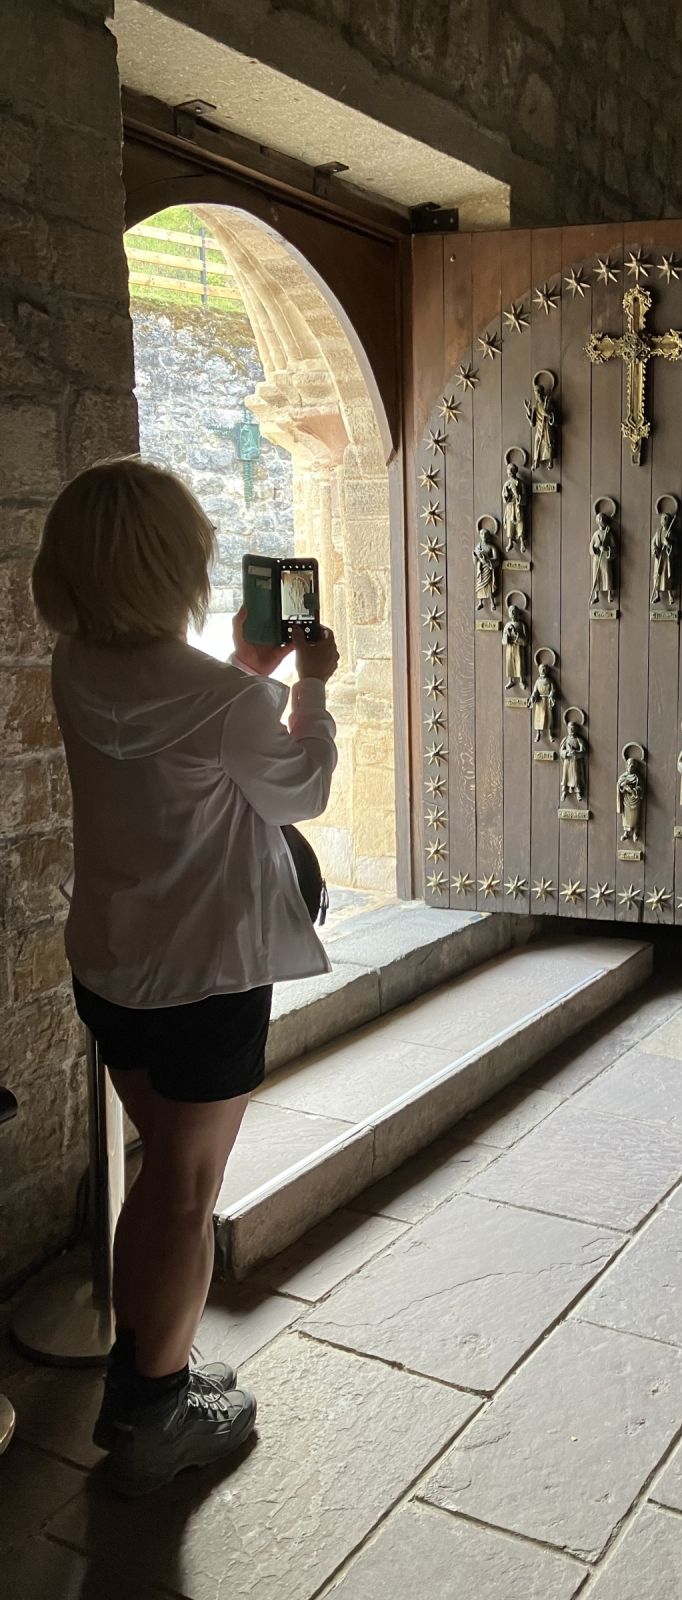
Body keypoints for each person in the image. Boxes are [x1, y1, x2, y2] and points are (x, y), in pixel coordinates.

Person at [31, 457, 339, 1496]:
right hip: (207, 973)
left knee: (161, 1168)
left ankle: (148, 1368)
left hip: (114, 964)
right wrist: (307, 685)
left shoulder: (74, 666)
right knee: (185, 1189)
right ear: (176, 561)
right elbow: (297, 791)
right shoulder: (217, 698)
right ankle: (155, 1406)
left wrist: (248, 674)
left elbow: (176, 744)